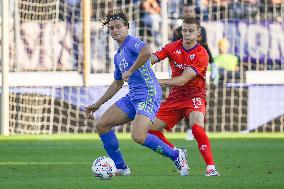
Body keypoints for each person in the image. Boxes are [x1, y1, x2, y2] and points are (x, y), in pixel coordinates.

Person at [85, 12, 189, 176]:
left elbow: (147, 51)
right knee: (102, 125)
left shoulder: (131, 42)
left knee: (138, 135)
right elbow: (118, 83)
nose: (115, 30)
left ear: (127, 27)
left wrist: (131, 69)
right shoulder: (118, 56)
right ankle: (121, 167)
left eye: (118, 27)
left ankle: (177, 155)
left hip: (148, 93)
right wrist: (97, 104)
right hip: (133, 96)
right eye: (111, 28)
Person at [148, 17, 220, 176]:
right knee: (149, 128)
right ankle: (176, 153)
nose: (187, 34)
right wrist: (139, 65)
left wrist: (153, 81)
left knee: (196, 126)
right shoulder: (173, 47)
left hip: (195, 95)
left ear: (198, 33)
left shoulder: (202, 53)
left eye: (191, 31)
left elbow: (181, 81)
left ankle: (210, 167)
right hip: (175, 97)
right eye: (184, 31)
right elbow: (153, 58)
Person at [172, 3, 218, 139]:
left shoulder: (201, 30)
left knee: (200, 98)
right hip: (182, 70)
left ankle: (200, 127)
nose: (188, 13)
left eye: (190, 11)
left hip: (199, 69)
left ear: (194, 12)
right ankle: (189, 129)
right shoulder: (178, 30)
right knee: (184, 99)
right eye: (186, 11)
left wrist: (213, 64)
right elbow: (173, 50)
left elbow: (205, 46)